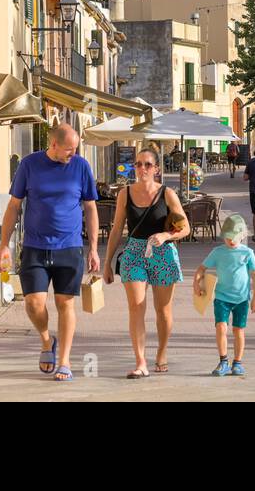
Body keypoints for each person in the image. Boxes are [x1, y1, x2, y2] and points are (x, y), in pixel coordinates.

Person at [0, 123, 100, 383]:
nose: (73, 154)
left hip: (69, 247)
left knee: (65, 304)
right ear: (53, 145)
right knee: (33, 303)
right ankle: (46, 341)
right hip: (35, 247)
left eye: (75, 149)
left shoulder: (81, 167)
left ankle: (64, 361)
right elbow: (13, 206)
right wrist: (3, 243)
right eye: (69, 149)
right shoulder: (29, 165)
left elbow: (90, 208)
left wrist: (95, 249)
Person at [103, 147, 190, 377]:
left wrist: (166, 235)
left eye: (147, 165)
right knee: (136, 307)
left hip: (162, 252)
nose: (142, 168)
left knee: (162, 310)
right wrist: (107, 263)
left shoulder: (167, 194)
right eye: (138, 164)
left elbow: (185, 228)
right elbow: (115, 230)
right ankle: (140, 362)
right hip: (134, 253)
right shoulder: (125, 193)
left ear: (157, 169)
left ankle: (161, 352)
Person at [194, 214, 255, 376]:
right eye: (227, 237)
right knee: (221, 327)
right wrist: (196, 283)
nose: (231, 241)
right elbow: (201, 268)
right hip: (222, 298)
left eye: (234, 238)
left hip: (242, 299)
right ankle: (223, 361)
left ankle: (237, 362)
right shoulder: (217, 252)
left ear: (242, 236)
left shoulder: (247, 253)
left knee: (238, 330)